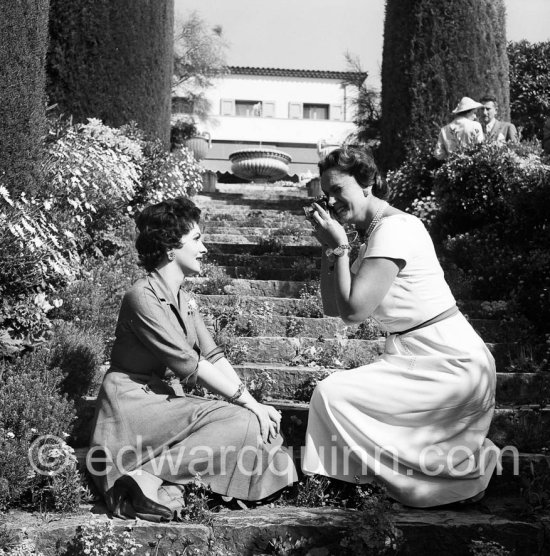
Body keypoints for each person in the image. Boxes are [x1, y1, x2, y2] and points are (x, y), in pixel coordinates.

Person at [301, 146, 499, 508]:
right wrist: (329, 250)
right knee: (334, 393)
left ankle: (354, 484)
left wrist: (341, 248)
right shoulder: (373, 234)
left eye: (338, 190)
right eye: (325, 193)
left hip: (450, 364)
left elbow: (355, 312)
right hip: (418, 359)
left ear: (367, 183)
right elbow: (334, 306)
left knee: (331, 393)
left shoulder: (394, 229)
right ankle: (361, 482)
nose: (331, 201)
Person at [89, 197, 296, 521]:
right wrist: (249, 406)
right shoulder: (141, 296)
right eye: (197, 239)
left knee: (259, 426)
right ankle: (148, 477)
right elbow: (190, 365)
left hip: (164, 399)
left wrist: (255, 403)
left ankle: (166, 487)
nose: (204, 248)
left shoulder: (186, 299)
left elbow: (213, 355)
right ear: (170, 248)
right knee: (243, 420)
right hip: (131, 405)